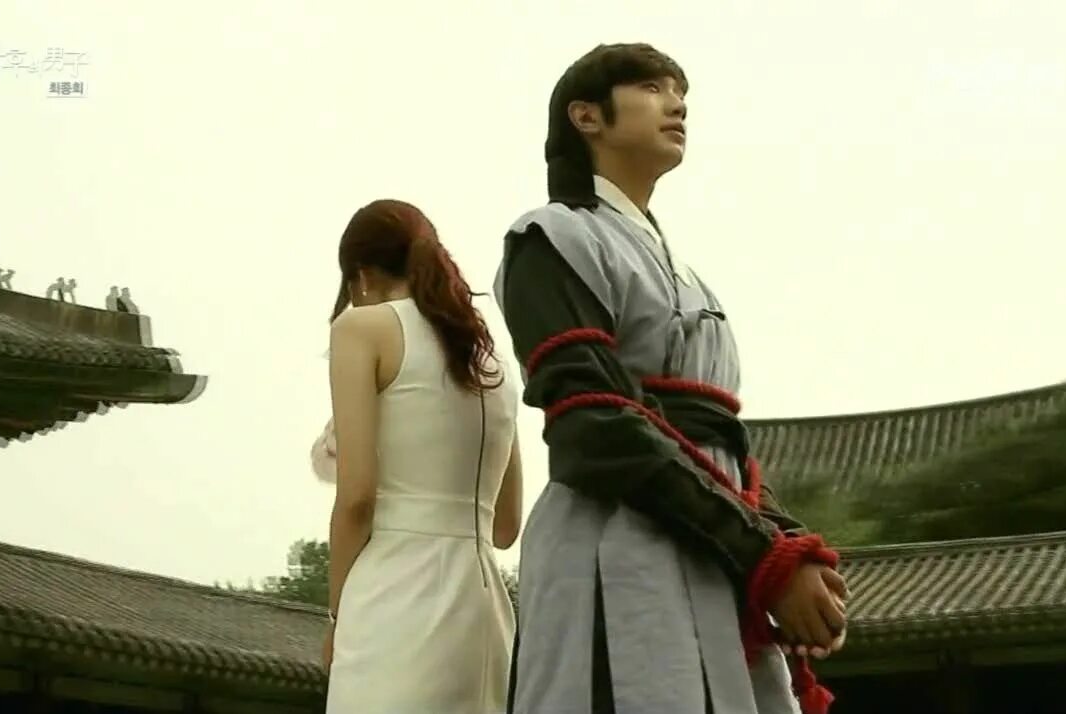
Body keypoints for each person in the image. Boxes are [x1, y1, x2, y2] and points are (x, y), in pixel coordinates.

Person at [492, 44, 848, 714]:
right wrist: (760, 550)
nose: (677, 104)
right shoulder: (551, 237)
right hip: (612, 545)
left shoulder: (690, 277)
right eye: (653, 88)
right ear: (587, 116)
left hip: (713, 550)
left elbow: (720, 438)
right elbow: (592, 425)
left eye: (681, 93)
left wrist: (786, 546)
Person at [323, 199, 523, 714]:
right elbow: (505, 527)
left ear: (361, 276)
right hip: (485, 611)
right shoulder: (489, 356)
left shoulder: (361, 329)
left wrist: (336, 616)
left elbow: (357, 499)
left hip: (397, 596)